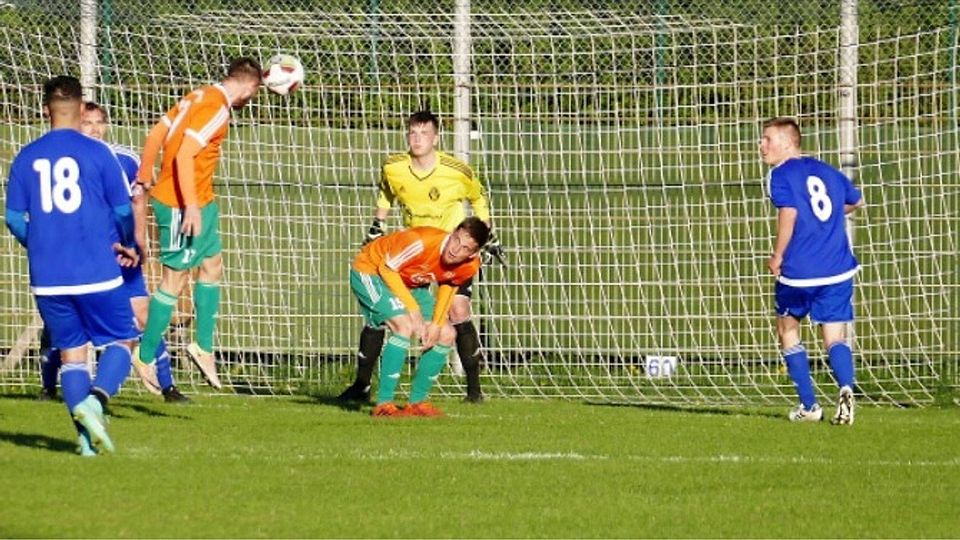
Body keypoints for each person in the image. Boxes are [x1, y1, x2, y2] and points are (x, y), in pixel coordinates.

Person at [5, 75, 140, 455]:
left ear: (45, 110)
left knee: (72, 354)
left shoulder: (26, 156)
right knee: (122, 339)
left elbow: (14, 219)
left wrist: (40, 244)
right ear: (82, 111)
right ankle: (96, 401)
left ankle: (86, 445)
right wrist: (127, 243)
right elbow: (122, 209)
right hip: (95, 268)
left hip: (47, 277)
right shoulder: (99, 153)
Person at [339, 110, 502, 404]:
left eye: (424, 133)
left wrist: (486, 234)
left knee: (457, 312)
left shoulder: (457, 170)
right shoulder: (393, 167)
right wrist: (379, 223)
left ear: (436, 138)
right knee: (385, 318)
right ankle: (363, 386)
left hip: (452, 252)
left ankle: (474, 391)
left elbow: (478, 197)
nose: (417, 139)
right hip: (413, 253)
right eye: (412, 133)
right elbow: (386, 193)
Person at [37, 103, 190, 403]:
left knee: (143, 315)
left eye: (99, 122)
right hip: (82, 257)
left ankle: (168, 387)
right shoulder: (64, 160)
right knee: (64, 323)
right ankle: (48, 387)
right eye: (87, 123)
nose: (94, 128)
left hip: (121, 254)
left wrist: (139, 240)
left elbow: (138, 199)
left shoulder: (124, 158)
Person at [134, 57, 262, 389]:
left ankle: (203, 346)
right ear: (250, 86)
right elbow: (183, 153)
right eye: (257, 92)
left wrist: (144, 175)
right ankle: (144, 356)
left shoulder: (197, 95)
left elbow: (157, 133)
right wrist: (189, 205)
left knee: (213, 264)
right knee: (174, 280)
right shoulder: (217, 108)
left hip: (202, 201)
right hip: (181, 203)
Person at [760, 117, 864, 425]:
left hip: (800, 271)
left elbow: (789, 214)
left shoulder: (779, 174)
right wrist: (828, 217)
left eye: (767, 139)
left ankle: (809, 406)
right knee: (834, 336)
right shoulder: (828, 170)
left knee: (787, 329)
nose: (761, 145)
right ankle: (845, 388)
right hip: (837, 268)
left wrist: (777, 254)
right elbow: (856, 201)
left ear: (789, 142)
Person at [350, 217, 491, 417]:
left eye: (465, 248)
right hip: (371, 272)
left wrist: (436, 324)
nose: (455, 249)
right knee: (404, 326)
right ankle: (384, 405)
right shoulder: (420, 242)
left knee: (447, 333)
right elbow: (387, 269)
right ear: (452, 233)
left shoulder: (470, 265)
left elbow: (449, 285)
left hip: (409, 283)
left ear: (473, 254)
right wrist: (413, 310)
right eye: (456, 240)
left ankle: (417, 402)